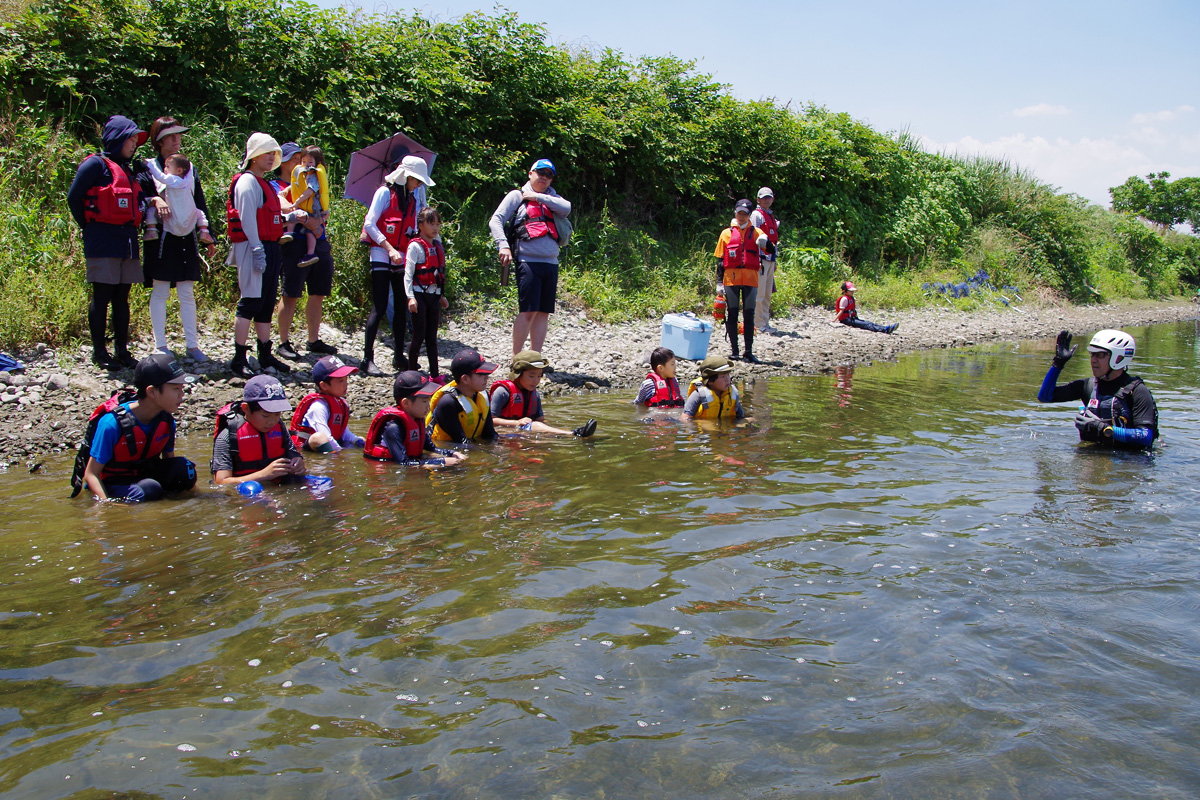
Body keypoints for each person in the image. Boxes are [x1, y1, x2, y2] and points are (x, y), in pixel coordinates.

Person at [66, 114, 156, 369]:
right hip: (102, 238)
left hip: (126, 239)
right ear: (116, 139)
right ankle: (99, 352)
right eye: (130, 138)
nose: (134, 144)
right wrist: (90, 226)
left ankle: (121, 351)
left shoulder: (130, 169)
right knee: (103, 294)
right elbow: (74, 199)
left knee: (121, 296)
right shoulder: (95, 165)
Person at [72, 353, 197, 502]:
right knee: (150, 489)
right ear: (152, 392)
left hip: (143, 477)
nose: (182, 395)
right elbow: (91, 474)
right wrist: (105, 506)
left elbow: (169, 464)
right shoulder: (112, 424)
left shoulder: (166, 421)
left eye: (182, 388)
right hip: (114, 482)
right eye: (176, 389)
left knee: (185, 469)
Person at [142, 116, 217, 364]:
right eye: (171, 136)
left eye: (179, 135)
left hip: (186, 234)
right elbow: (141, 196)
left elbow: (198, 202)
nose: (177, 140)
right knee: (161, 290)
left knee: (187, 291)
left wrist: (208, 236)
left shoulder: (187, 166)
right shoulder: (147, 166)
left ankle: (192, 346)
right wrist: (155, 200)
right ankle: (160, 345)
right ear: (159, 140)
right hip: (161, 236)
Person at [226, 133, 301, 377]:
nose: (271, 158)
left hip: (270, 246)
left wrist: (289, 217)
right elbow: (247, 218)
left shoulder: (263, 183)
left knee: (266, 302)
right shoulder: (247, 182)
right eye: (266, 153)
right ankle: (239, 357)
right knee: (250, 301)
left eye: (274, 154)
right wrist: (257, 249)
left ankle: (265, 354)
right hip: (252, 246)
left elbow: (269, 217)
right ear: (253, 156)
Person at [489, 158, 573, 356]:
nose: (544, 177)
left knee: (543, 313)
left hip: (550, 263)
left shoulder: (553, 199)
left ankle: (535, 357)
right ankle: (516, 358)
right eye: (540, 172)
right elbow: (496, 220)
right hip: (528, 262)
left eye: (549, 175)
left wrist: (538, 198)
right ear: (530, 173)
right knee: (528, 311)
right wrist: (503, 245)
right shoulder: (517, 196)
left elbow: (566, 207)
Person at [361, 155, 434, 375]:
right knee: (380, 305)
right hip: (382, 253)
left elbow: (411, 228)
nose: (419, 184)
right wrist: (389, 249)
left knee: (402, 305)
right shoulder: (384, 193)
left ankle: (398, 356)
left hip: (402, 255)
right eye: (417, 180)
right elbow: (369, 224)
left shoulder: (412, 199)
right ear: (406, 176)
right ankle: (367, 358)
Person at [1037, 329, 1159, 449]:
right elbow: (1045, 397)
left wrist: (1102, 427)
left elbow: (1145, 437)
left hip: (1127, 462)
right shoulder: (1087, 386)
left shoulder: (1138, 391)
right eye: (1092, 354)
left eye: (1099, 355)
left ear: (1119, 358)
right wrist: (1058, 364)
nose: (1093, 360)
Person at [275, 144, 336, 361]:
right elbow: (280, 204)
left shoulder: (313, 177)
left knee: (318, 292)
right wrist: (309, 219)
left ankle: (313, 340)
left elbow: (322, 207)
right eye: (296, 159)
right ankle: (283, 341)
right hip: (294, 244)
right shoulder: (277, 184)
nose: (300, 162)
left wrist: (317, 220)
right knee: (290, 293)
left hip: (319, 240)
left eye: (301, 158)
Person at [211, 374, 307, 486]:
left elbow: (293, 454)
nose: (272, 421)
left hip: (277, 484)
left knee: (321, 483)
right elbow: (221, 482)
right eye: (265, 416)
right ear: (245, 408)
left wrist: (298, 464)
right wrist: (263, 475)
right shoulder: (229, 436)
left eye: (277, 414)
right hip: (247, 489)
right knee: (254, 490)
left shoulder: (279, 427)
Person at [363, 370, 467, 467]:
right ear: (406, 403)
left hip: (412, 461)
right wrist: (441, 462)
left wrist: (452, 453)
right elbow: (403, 463)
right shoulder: (393, 428)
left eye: (429, 400)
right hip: (384, 470)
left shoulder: (417, 418)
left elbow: (431, 448)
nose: (428, 406)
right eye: (424, 401)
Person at [714, 199, 772, 363]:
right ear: (735, 213)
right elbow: (720, 261)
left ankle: (748, 351)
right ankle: (734, 351)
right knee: (732, 314)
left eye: (744, 214)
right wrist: (719, 283)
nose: (741, 216)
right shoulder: (726, 233)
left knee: (749, 315)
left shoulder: (757, 233)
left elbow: (772, 250)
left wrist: (765, 241)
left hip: (750, 279)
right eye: (739, 213)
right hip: (730, 279)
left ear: (749, 215)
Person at [489, 350, 597, 437]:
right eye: (531, 376)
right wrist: (516, 423)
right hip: (502, 432)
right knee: (536, 426)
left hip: (522, 431)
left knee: (542, 431)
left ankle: (570, 432)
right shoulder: (503, 392)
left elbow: (540, 420)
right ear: (518, 374)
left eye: (539, 376)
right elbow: (490, 420)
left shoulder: (534, 394)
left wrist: (549, 426)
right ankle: (573, 434)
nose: (536, 381)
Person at [405, 207, 450, 376]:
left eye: (438, 224)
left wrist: (441, 297)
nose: (435, 228)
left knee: (432, 337)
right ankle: (411, 373)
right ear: (420, 225)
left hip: (433, 295)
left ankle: (435, 375)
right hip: (418, 295)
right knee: (419, 336)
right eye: (431, 223)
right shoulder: (415, 246)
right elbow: (408, 274)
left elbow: (437, 274)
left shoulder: (437, 246)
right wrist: (410, 298)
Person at [290, 355, 365, 453]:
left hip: (331, 443)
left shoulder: (339, 403)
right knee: (319, 437)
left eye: (346, 379)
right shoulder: (318, 406)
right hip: (308, 447)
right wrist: (340, 456)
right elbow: (325, 435)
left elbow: (344, 432)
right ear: (324, 385)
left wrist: (356, 440)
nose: (345, 384)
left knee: (361, 440)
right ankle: (332, 457)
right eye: (340, 381)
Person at [426, 348, 499, 444]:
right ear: (465, 379)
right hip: (444, 448)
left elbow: (489, 432)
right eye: (481, 374)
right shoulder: (448, 402)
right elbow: (461, 442)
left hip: (468, 442)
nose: (487, 377)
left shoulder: (483, 395)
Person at [288, 145, 329, 269]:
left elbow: (309, 192)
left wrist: (296, 202)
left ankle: (310, 253)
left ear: (318, 162)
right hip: (307, 208)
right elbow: (297, 186)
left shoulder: (314, 175)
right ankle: (289, 233)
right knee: (294, 215)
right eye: (303, 161)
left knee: (309, 231)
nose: (306, 165)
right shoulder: (304, 174)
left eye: (310, 162)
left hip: (314, 209)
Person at [751, 187, 780, 334]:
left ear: (773, 199)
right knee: (760, 293)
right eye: (763, 198)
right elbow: (753, 237)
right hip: (761, 259)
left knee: (767, 292)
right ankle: (758, 323)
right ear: (758, 200)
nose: (767, 200)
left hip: (770, 259)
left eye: (769, 197)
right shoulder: (757, 215)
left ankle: (765, 322)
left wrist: (774, 262)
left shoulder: (770, 216)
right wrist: (757, 260)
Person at [682, 355, 747, 421]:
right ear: (710, 381)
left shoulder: (733, 394)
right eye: (723, 376)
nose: (728, 380)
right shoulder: (698, 395)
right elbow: (684, 419)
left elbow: (741, 416)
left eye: (728, 375)